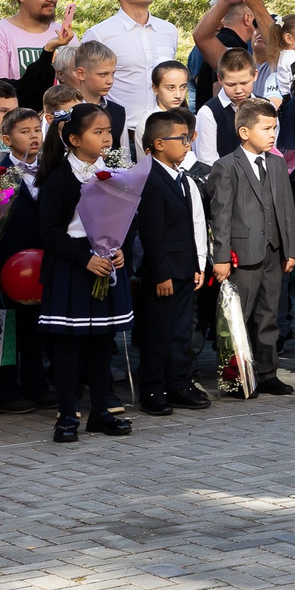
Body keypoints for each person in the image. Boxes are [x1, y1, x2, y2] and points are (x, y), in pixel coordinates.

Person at [34, 103, 136, 442]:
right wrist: (84, 258)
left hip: (105, 264)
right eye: (98, 132)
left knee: (100, 343)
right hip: (73, 268)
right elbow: (49, 231)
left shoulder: (116, 170)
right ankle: (66, 415)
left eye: (108, 131)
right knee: (68, 347)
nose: (106, 138)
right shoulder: (60, 178)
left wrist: (118, 247)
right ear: (75, 140)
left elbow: (126, 217)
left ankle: (100, 412)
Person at [206, 99, 295, 395]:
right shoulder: (226, 166)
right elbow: (220, 215)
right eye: (266, 128)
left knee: (268, 314)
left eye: (275, 128)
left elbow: (286, 208)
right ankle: (235, 377)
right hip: (242, 254)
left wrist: (291, 249)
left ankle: (267, 372)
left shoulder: (276, 162)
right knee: (237, 316)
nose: (273, 134)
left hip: (273, 250)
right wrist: (221, 257)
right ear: (244, 132)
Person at [134, 109, 210, 414]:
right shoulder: (151, 180)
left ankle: (179, 382)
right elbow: (152, 234)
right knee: (158, 331)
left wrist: (196, 265)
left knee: (180, 331)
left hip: (183, 267)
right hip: (162, 273)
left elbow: (193, 227)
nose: (187, 144)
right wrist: (161, 273)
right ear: (159, 144)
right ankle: (152, 388)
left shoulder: (180, 177)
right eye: (180, 138)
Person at [85, 0, 182, 128]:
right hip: (120, 131)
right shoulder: (100, 34)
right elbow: (84, 85)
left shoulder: (168, 31)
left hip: (164, 131)